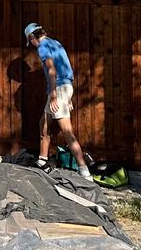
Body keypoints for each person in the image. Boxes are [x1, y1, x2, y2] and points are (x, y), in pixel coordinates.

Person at [23, 22, 92, 180]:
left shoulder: (42, 46)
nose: (32, 45)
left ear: (32, 37)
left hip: (58, 90)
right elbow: (66, 68)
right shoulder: (56, 43)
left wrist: (55, 95)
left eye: (30, 41)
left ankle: (84, 171)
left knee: (67, 132)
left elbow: (52, 70)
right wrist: (68, 96)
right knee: (44, 125)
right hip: (64, 88)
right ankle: (42, 160)